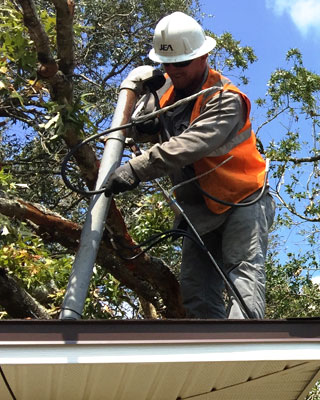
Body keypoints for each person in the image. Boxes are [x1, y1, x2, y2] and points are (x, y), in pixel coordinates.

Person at [105, 11, 274, 319]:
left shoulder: (225, 99)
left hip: (244, 199)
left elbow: (188, 145)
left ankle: (241, 349)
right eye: (167, 63)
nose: (174, 70)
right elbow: (133, 127)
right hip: (199, 209)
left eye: (181, 63)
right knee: (197, 291)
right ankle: (211, 357)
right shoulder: (165, 91)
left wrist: (136, 169)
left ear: (203, 57)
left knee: (242, 276)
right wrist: (141, 102)